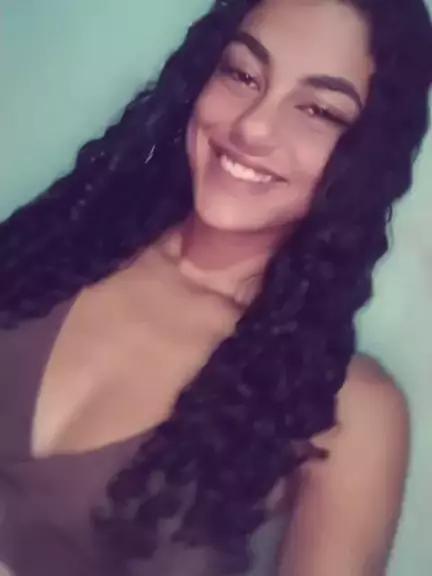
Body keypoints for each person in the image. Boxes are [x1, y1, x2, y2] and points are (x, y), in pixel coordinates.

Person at [0, 0, 431, 574]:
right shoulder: (55, 243)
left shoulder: (351, 410)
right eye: (242, 74)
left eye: (319, 110)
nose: (253, 125)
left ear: (369, 158)